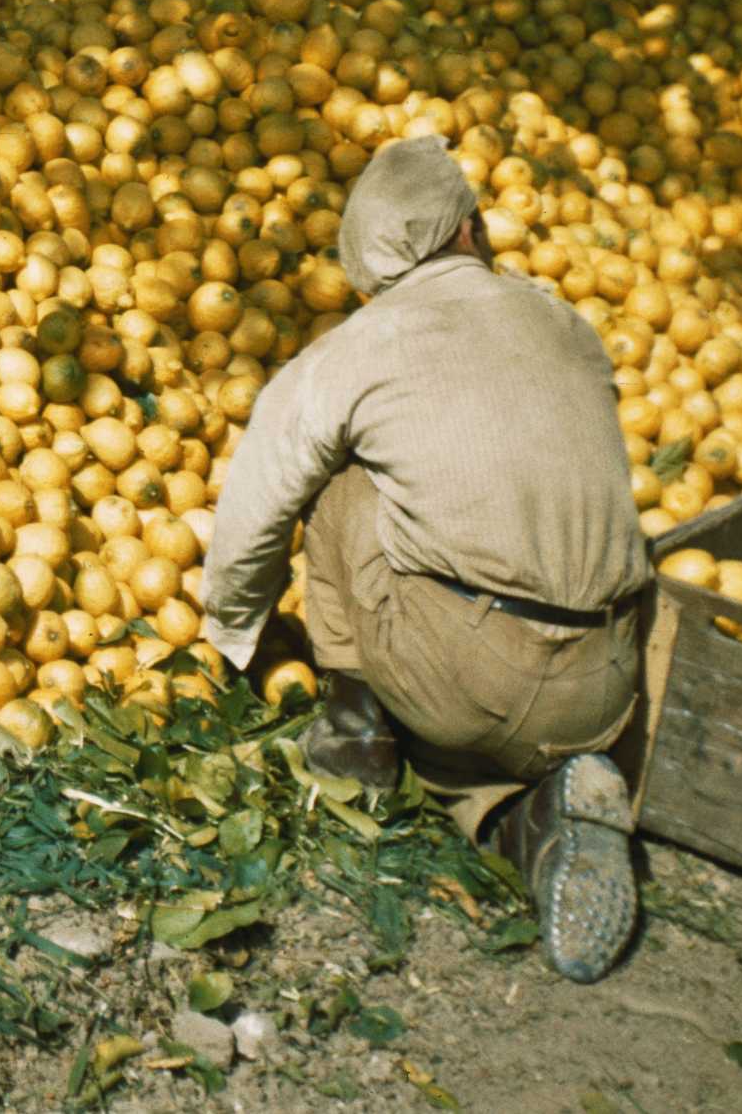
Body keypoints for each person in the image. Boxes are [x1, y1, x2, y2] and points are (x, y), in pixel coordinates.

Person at [201, 132, 654, 983]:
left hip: (470, 673)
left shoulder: (355, 349)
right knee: (463, 741)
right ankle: (533, 817)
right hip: (607, 677)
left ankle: (355, 732)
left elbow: (253, 511)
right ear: (472, 230)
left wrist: (235, 636)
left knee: (336, 485)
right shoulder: (566, 320)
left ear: (369, 276)